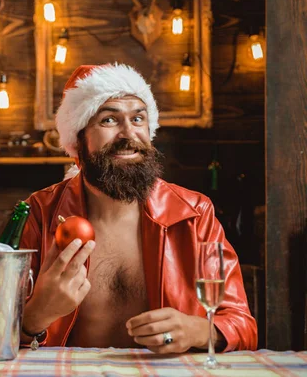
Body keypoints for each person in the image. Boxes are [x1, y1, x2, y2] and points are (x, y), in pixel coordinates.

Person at [19, 63, 257, 353]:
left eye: (138, 118)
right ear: (78, 138)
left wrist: (196, 330)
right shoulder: (40, 212)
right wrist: (35, 317)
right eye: (108, 120)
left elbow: (242, 325)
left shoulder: (194, 213)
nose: (128, 134)